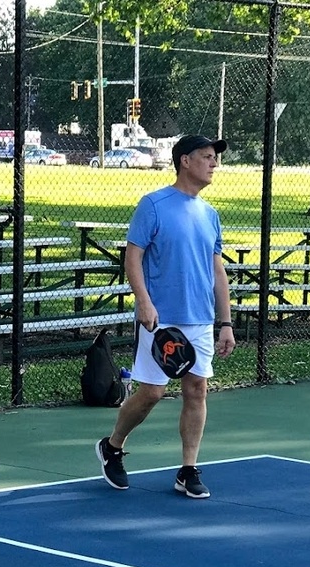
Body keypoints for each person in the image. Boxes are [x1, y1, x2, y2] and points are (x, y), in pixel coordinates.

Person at [95, 134, 236, 498]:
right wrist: (143, 301)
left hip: (201, 319)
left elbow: (217, 271)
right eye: (207, 157)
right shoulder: (154, 205)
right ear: (185, 161)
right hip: (161, 321)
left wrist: (226, 322)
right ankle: (112, 446)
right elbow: (133, 257)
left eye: (214, 158)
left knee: (197, 390)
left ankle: (187, 470)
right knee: (153, 393)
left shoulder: (210, 215)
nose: (214, 164)